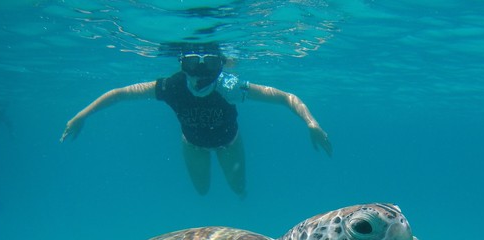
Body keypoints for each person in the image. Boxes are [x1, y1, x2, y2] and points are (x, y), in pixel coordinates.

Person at [60, 43, 332, 197]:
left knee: (239, 191)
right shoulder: (171, 86)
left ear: (221, 66)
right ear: (182, 65)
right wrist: (82, 115)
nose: (200, 73)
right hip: (192, 146)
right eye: (192, 64)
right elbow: (120, 94)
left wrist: (311, 123)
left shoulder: (231, 87)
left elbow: (286, 97)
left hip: (230, 144)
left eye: (210, 65)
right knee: (202, 191)